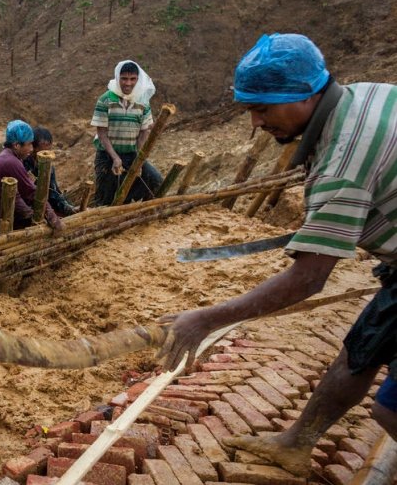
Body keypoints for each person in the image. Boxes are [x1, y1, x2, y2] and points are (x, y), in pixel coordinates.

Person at [158, 33, 397, 477]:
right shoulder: (363, 96)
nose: (254, 122)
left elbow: (308, 278)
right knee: (360, 350)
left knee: (390, 414)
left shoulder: (343, 162)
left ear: (305, 96)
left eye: (262, 108)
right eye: (249, 108)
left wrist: (206, 319)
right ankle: (296, 442)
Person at [0, 120, 64, 240]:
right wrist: (53, 218)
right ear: (16, 145)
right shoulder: (11, 162)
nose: (31, 149)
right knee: (8, 245)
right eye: (29, 144)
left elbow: (19, 194)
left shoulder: (8, 157)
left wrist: (31, 214)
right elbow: (31, 192)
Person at [91, 60, 164, 206]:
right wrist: (115, 158)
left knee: (155, 180)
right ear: (118, 78)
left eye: (132, 79)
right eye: (124, 78)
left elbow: (143, 133)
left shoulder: (142, 102)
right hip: (107, 156)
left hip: (131, 155)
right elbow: (102, 133)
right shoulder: (105, 100)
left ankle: (139, 212)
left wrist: (139, 159)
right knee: (106, 197)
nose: (128, 83)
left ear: (137, 79)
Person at [23, 127, 78, 217]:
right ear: (33, 148)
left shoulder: (49, 167)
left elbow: (54, 192)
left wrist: (69, 208)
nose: (46, 155)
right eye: (42, 152)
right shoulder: (23, 164)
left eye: (48, 150)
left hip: (46, 205)